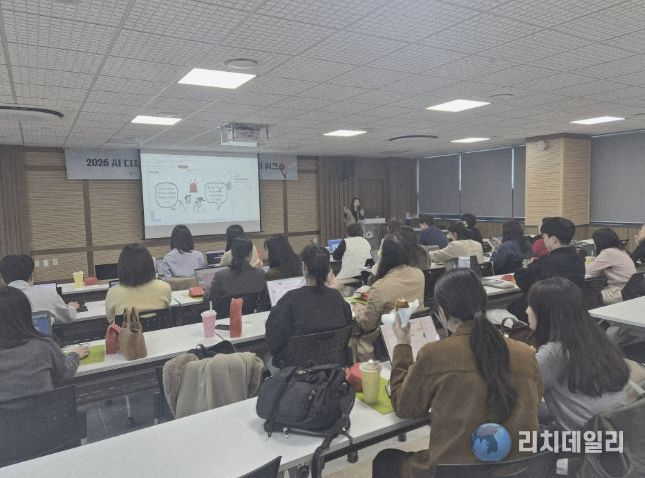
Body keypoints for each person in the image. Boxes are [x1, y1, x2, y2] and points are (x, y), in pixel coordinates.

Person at [373, 269, 542, 478]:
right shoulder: (525, 354)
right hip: (517, 470)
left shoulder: (435, 354)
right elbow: (534, 403)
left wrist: (402, 344)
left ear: (442, 312)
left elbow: (403, 406)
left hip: (455, 471)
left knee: (385, 460)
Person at [527, 277, 629, 431]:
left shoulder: (552, 355)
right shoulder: (598, 338)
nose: (527, 311)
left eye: (531, 306)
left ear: (546, 313)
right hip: (616, 425)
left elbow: (520, 388)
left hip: (583, 438)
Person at [265, 245, 352, 369]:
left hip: (297, 371)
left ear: (304, 267)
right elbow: (347, 325)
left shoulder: (289, 300)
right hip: (333, 369)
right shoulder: (337, 297)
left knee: (267, 359)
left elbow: (273, 341)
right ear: (328, 270)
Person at [0, 286, 88, 402]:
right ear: (26, 313)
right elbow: (65, 374)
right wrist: (74, 355)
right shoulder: (43, 346)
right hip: (47, 412)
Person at [352, 234, 424, 361]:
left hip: (387, 340)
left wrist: (357, 304)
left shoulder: (380, 286)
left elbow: (367, 324)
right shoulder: (419, 274)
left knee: (354, 338)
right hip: (417, 333)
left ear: (384, 256)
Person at [0, 254, 78, 325]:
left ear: (2, 279)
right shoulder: (48, 293)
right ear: (31, 276)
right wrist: (72, 307)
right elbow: (68, 318)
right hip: (41, 336)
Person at [514, 217, 585, 292]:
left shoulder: (545, 262)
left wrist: (527, 266)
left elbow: (522, 280)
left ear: (553, 239)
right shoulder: (579, 260)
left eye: (544, 237)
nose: (544, 241)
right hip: (573, 299)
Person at [105, 244, 171, 323]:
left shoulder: (113, 293)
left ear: (122, 267)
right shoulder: (164, 287)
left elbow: (111, 320)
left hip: (127, 331)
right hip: (159, 330)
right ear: (150, 264)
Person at [207, 237, 267, 311]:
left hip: (227, 316)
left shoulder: (220, 275)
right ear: (249, 254)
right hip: (253, 315)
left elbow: (211, 297)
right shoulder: (260, 274)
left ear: (232, 254)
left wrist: (207, 289)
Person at [586, 228, 636, 304]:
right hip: (629, 290)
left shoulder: (608, 252)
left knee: (586, 296)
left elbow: (588, 272)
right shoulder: (621, 251)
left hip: (618, 292)